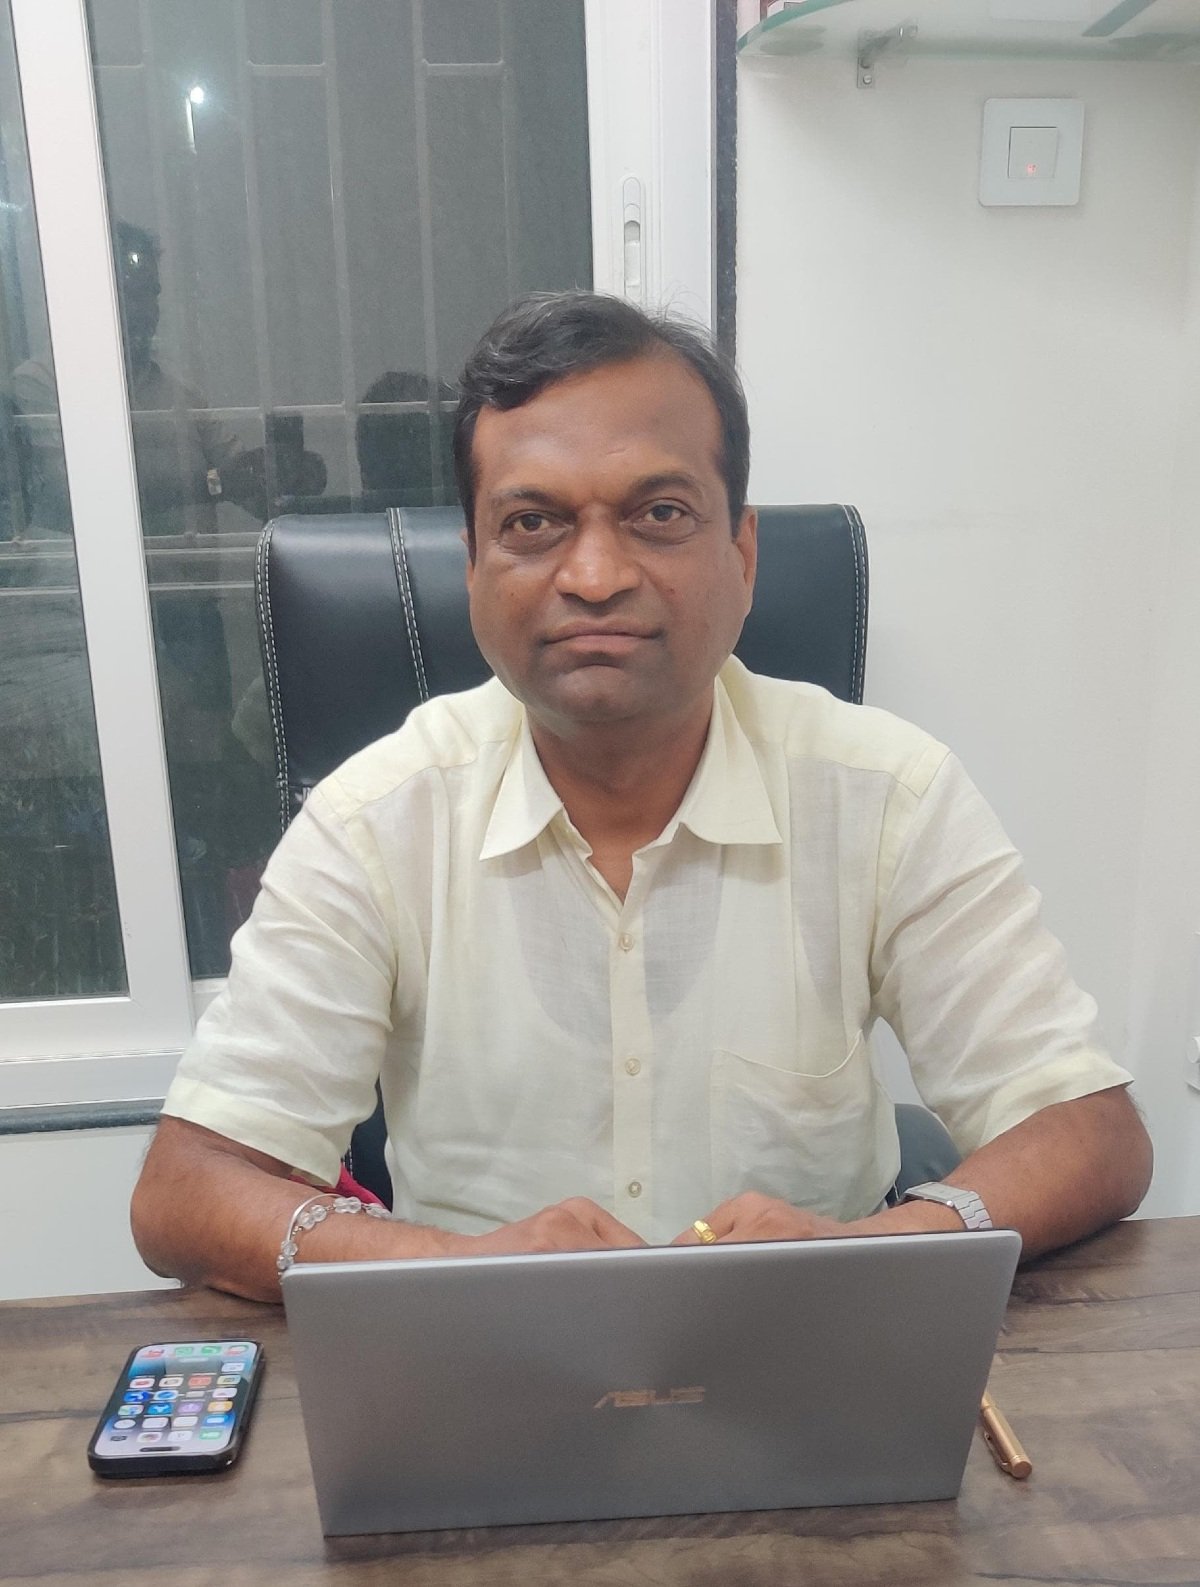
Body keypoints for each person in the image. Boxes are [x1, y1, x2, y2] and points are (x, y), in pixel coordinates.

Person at [131, 291, 1151, 1303]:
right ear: (474, 565)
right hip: (483, 1354)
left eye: (658, 514)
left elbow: (1089, 1132)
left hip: (801, 1342)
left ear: (741, 554)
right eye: (533, 522)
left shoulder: (888, 795)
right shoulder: (375, 822)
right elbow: (186, 1191)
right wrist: (458, 1269)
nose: (594, 574)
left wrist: (873, 1248)